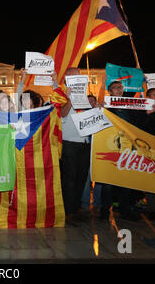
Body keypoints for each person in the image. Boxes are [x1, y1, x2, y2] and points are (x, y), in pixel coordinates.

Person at [100, 81, 142, 221]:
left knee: (126, 181)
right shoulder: (107, 107)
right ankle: (104, 212)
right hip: (111, 148)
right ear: (110, 92)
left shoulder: (130, 106)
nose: (119, 90)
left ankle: (124, 210)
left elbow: (138, 125)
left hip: (127, 149)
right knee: (108, 184)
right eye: (115, 88)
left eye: (120, 88)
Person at [59, 68, 92, 219]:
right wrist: (70, 98)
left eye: (79, 75)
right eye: (74, 75)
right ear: (66, 78)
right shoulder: (59, 94)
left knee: (82, 176)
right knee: (69, 177)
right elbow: (62, 113)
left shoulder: (85, 95)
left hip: (84, 141)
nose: (78, 78)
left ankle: (77, 206)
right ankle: (68, 208)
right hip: (69, 141)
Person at [80, 95, 102, 213]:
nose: (90, 102)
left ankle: (98, 202)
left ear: (95, 102)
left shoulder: (101, 113)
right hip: (87, 149)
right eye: (87, 101)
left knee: (99, 178)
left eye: (92, 100)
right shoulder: (81, 115)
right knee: (87, 178)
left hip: (99, 150)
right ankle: (85, 202)